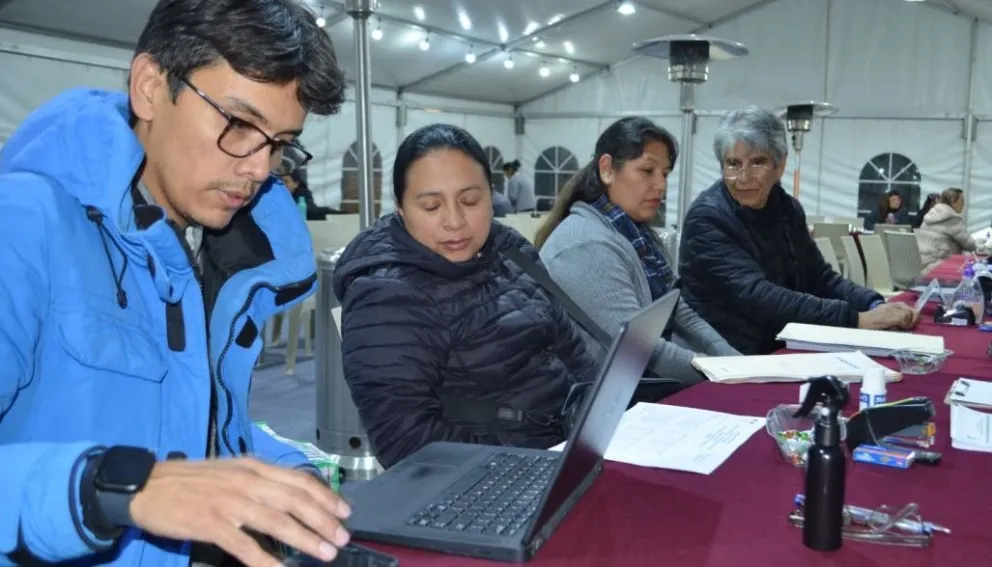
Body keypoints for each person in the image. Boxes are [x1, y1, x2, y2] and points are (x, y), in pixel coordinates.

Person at [0, 1, 354, 566]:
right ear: (148, 87)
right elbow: (149, 479)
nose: (260, 170)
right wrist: (107, 488)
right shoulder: (21, 224)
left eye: (281, 142)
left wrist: (286, 478)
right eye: (238, 124)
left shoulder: (216, 249)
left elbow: (188, 424)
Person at [332, 124, 598, 469]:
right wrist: (526, 462)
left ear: (492, 195)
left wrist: (602, 416)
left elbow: (572, 349)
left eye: (471, 201)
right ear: (400, 208)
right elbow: (407, 441)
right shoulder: (384, 295)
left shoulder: (509, 249)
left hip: (570, 447)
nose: (455, 221)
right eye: (431, 206)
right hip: (495, 474)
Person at [679, 107, 919, 355]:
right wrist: (857, 319)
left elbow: (820, 277)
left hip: (780, 344)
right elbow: (758, 296)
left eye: (758, 162)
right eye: (733, 164)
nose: (744, 177)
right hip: (728, 357)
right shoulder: (707, 218)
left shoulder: (786, 208)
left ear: (780, 166)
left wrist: (872, 303)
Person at [535, 117, 739, 387]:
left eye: (664, 173)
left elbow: (679, 310)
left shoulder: (632, 233)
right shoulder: (587, 245)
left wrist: (734, 361)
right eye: (647, 170)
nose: (661, 185)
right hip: (602, 401)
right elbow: (641, 349)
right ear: (607, 169)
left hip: (634, 386)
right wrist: (720, 371)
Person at [917, 187, 977, 272]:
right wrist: (985, 245)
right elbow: (971, 245)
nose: (963, 205)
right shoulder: (952, 218)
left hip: (921, 266)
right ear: (953, 201)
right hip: (939, 268)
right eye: (962, 201)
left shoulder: (931, 214)